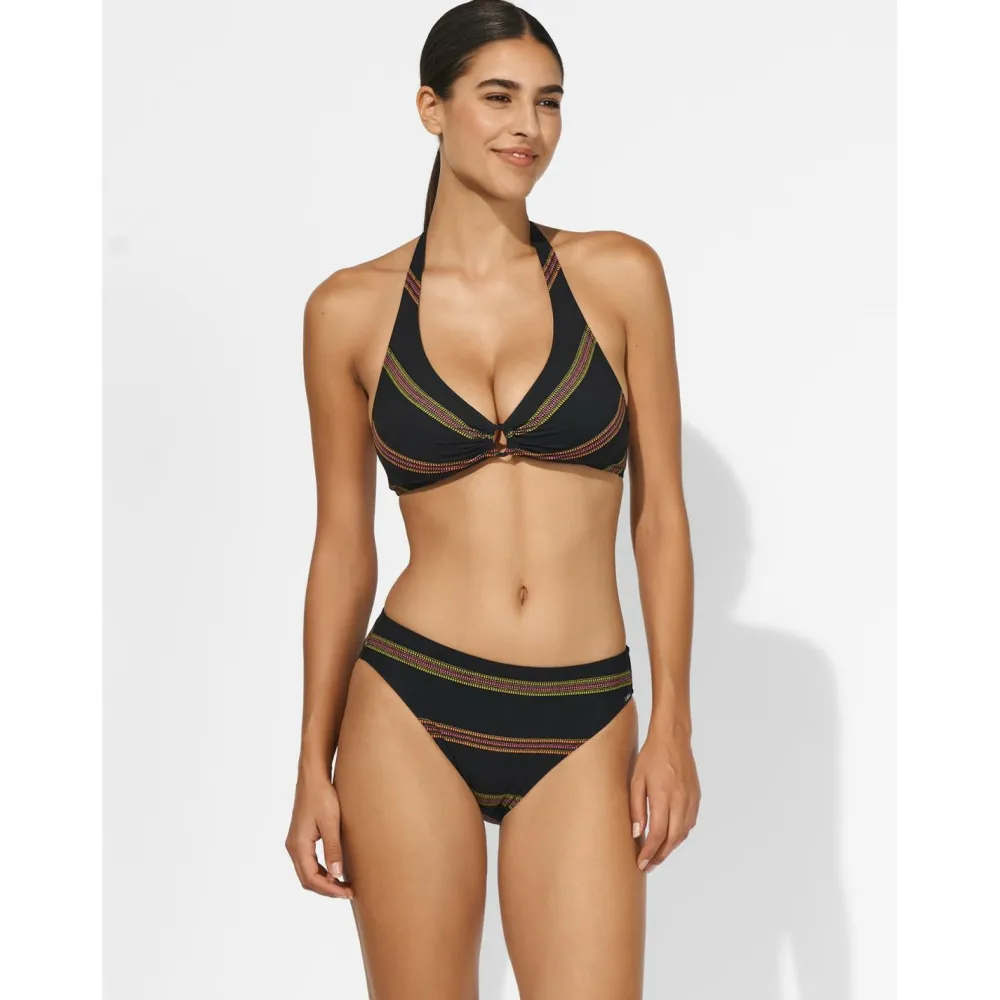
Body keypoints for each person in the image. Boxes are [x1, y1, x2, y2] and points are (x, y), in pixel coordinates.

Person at [286, 2, 699, 996]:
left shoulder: (618, 276)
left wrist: (673, 725)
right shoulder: (347, 308)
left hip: (583, 710)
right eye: (499, 97)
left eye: (549, 102)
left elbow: (660, 517)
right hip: (408, 703)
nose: (529, 126)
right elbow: (342, 546)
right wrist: (310, 760)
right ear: (432, 108)